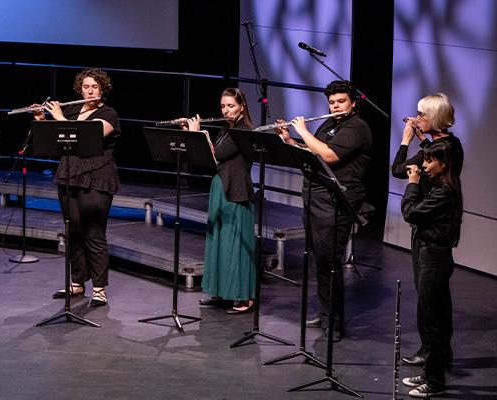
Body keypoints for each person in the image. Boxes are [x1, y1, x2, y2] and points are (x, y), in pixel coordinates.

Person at [277, 80, 372, 341]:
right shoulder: (330, 124)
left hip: (337, 201)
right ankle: (325, 312)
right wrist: (290, 140)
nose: (335, 106)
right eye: (332, 102)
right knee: (320, 260)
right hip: (316, 198)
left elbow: (329, 155)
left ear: (353, 102)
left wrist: (303, 131)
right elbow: (312, 151)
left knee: (331, 262)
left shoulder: (358, 127)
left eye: (341, 102)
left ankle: (336, 323)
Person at [33, 68, 120, 307]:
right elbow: (52, 143)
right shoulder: (71, 110)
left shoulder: (108, 113)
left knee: (94, 232)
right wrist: (41, 119)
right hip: (69, 174)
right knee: (73, 231)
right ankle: (78, 282)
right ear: (80, 89)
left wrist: (59, 118)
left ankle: (100, 288)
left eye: (94, 87)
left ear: (102, 89)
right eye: (86, 87)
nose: (90, 91)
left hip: (97, 177)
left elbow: (88, 137)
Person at [392, 93, 462, 368]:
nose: (417, 118)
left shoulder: (447, 148)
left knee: (430, 301)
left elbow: (400, 169)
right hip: (426, 230)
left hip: (432, 230)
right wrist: (421, 139)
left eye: (422, 115)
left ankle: (434, 354)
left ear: (433, 117)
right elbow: (413, 163)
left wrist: (406, 139)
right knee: (432, 298)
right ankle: (436, 352)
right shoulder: (443, 145)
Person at [183, 88, 256, 313]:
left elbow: (215, 156)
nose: (226, 110)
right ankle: (222, 292)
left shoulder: (243, 131)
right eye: (223, 106)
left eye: (231, 106)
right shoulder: (227, 129)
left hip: (235, 191)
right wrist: (195, 135)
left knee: (235, 245)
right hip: (221, 187)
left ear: (242, 106)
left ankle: (242, 297)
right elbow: (213, 155)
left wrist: (197, 134)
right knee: (219, 243)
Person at [400, 140, 462, 398]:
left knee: (430, 320)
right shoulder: (438, 185)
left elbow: (410, 212)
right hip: (429, 253)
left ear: (443, 163)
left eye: (428, 161)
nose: (423, 166)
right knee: (428, 316)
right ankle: (429, 371)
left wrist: (412, 184)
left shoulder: (445, 190)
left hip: (435, 257)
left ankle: (435, 381)